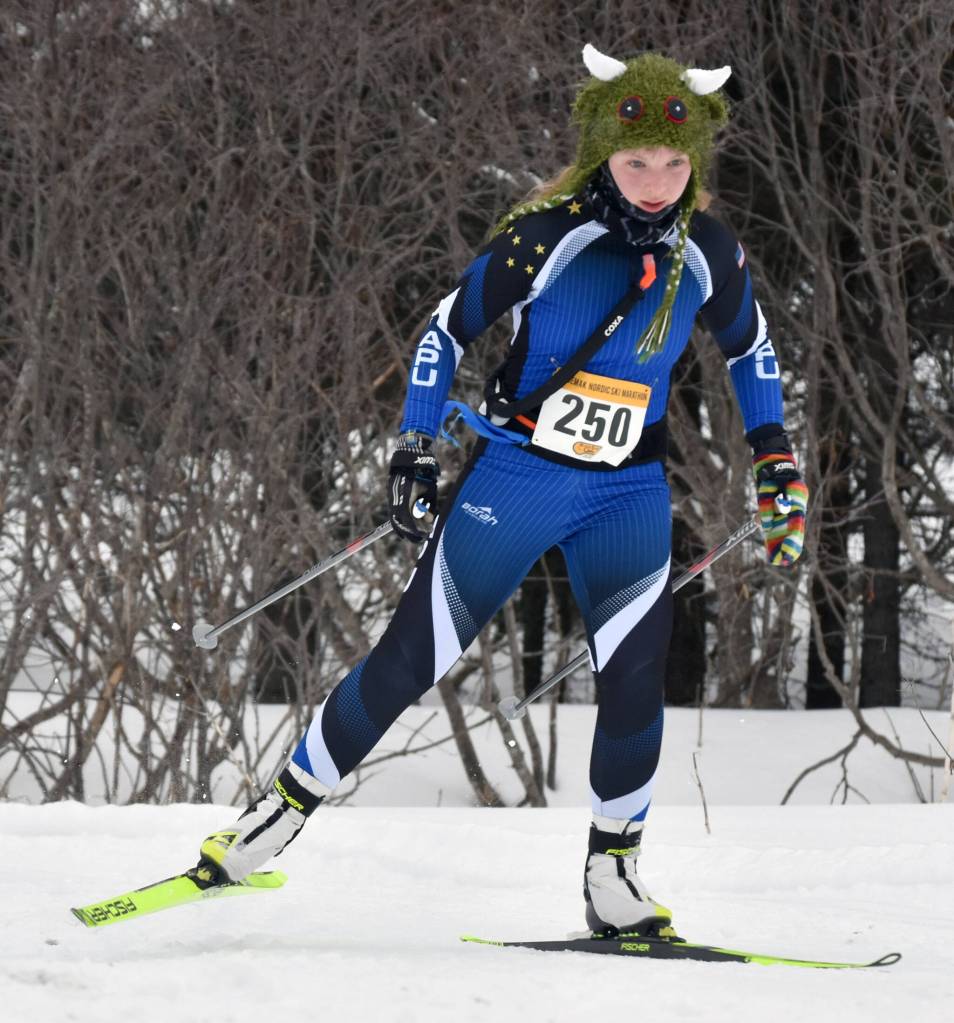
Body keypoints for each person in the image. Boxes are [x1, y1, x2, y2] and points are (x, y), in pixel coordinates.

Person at [195, 46, 808, 937]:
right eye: (636, 162)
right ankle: (276, 816)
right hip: (518, 478)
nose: (655, 182)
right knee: (411, 658)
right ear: (603, 149)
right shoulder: (547, 233)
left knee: (636, 675)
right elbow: (446, 331)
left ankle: (615, 876)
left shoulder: (707, 249)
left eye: (675, 165)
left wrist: (775, 457)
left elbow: (750, 350)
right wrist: (413, 444)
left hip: (627, 491)